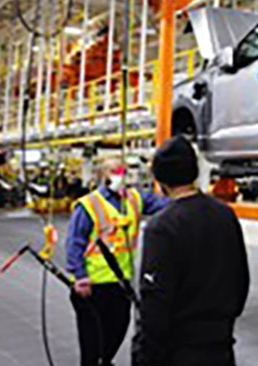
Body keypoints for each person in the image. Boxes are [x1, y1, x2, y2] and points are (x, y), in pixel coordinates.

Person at [132, 135, 250, 366]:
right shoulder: (225, 214)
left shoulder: (162, 227)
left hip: (179, 352)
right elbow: (241, 280)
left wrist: (144, 356)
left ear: (160, 179)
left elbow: (156, 302)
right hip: (221, 348)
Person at [65, 156, 169, 366]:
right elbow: (74, 243)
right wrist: (80, 276)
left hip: (121, 282)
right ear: (103, 176)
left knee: (118, 329)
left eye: (123, 171)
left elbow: (165, 203)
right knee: (92, 342)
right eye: (114, 171)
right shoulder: (89, 205)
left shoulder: (134, 198)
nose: (120, 176)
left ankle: (106, 360)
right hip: (93, 285)